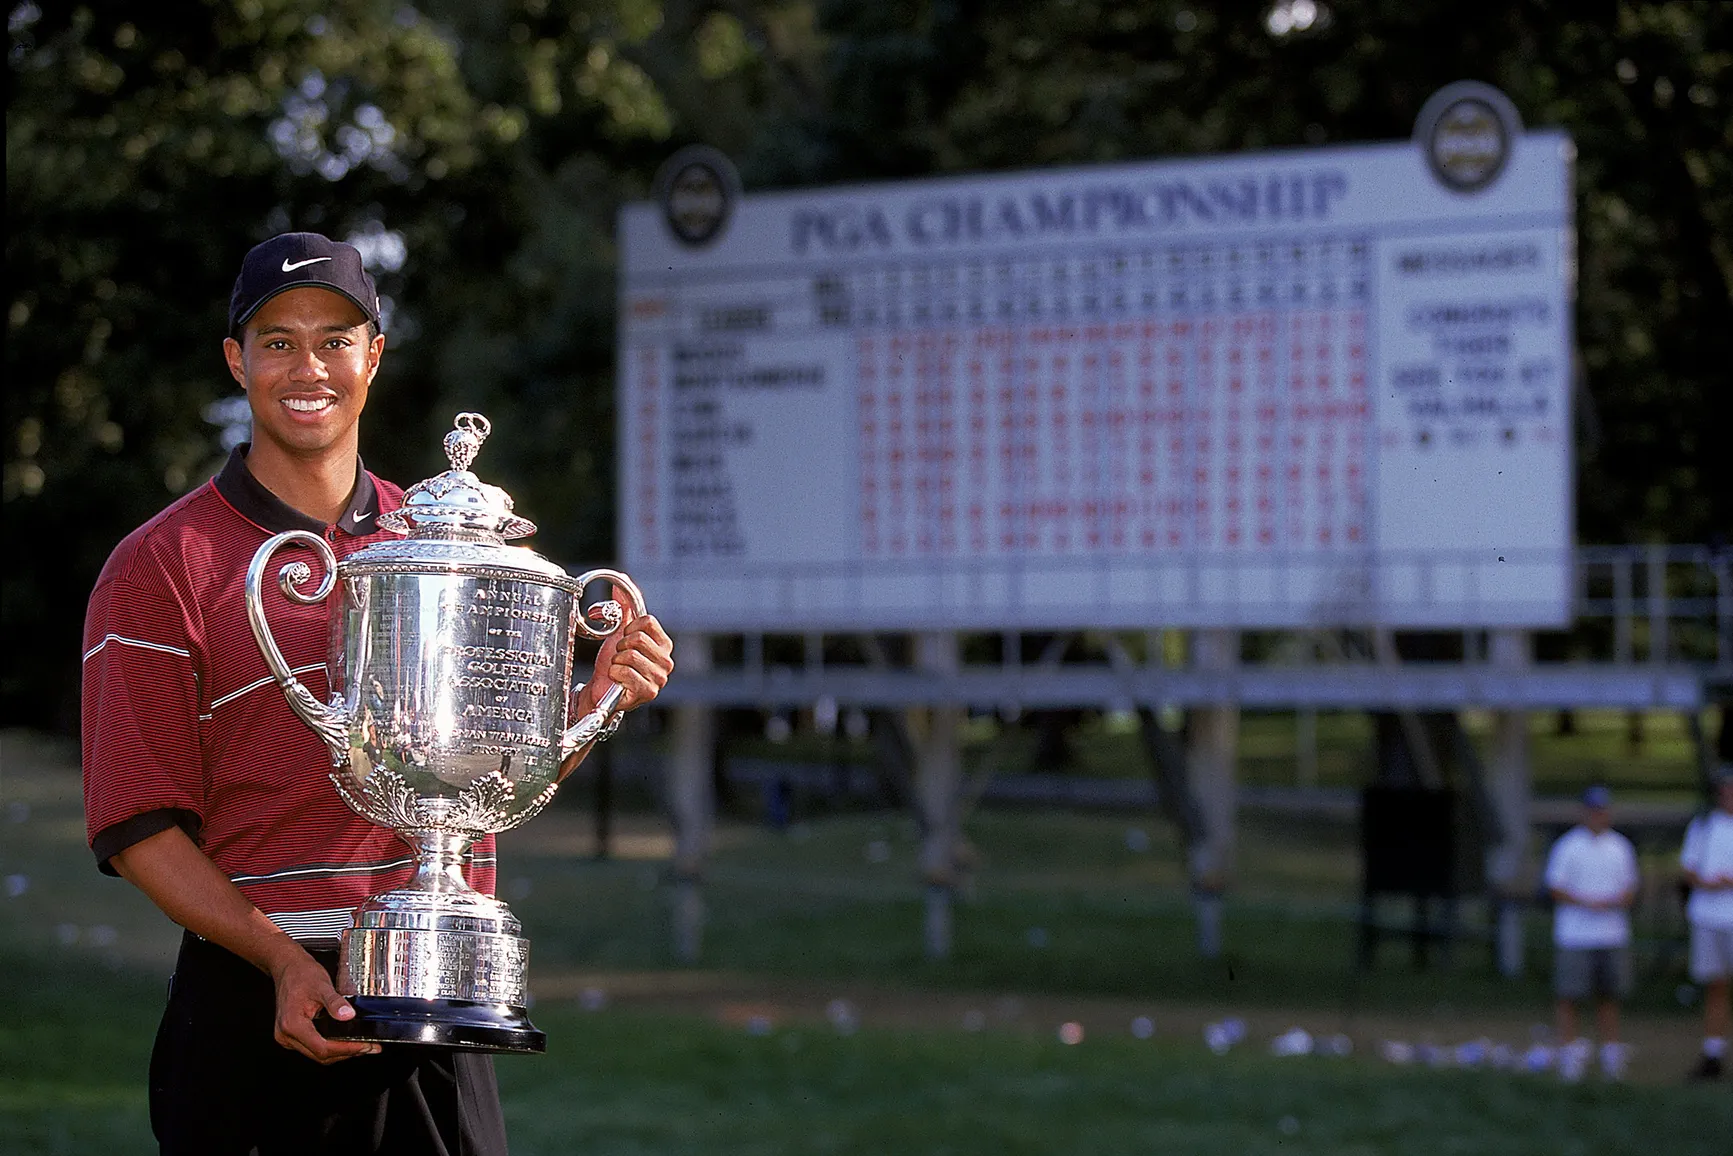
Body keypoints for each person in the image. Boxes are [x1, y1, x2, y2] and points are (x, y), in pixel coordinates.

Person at [81, 232, 675, 1154]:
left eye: (334, 340)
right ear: (236, 360)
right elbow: (137, 824)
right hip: (251, 1001)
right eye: (278, 342)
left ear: (373, 356)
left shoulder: (451, 550)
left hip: (437, 993)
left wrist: (588, 707)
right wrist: (280, 959)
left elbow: (482, 776)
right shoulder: (160, 564)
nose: (307, 368)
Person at [1542, 784, 1638, 1082]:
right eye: (1593, 810)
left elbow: (1630, 889)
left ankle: (1610, 1056)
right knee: (1569, 996)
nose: (1598, 815)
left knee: (1609, 996)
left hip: (1612, 935)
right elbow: (1554, 887)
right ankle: (1570, 1057)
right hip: (1575, 936)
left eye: (1602, 810)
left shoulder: (1620, 847)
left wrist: (1611, 902)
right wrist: (1585, 902)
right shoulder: (1568, 846)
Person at [1681, 765, 1733, 1081]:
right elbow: (1689, 869)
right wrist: (1707, 883)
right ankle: (1713, 1053)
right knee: (1715, 984)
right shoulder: (1703, 826)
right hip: (1708, 917)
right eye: (1724, 788)